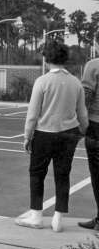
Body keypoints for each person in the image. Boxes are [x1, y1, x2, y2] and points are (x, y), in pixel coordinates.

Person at [15, 40, 88, 232]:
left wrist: (27, 136)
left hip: (44, 134)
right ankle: (58, 218)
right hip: (69, 134)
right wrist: (83, 130)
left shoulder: (42, 81)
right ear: (65, 58)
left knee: (37, 174)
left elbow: (33, 114)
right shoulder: (76, 82)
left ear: (46, 59)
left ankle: (36, 216)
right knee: (63, 175)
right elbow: (82, 113)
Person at [78, 51, 99, 230]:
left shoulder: (93, 65)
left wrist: (80, 127)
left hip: (96, 126)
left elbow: (86, 98)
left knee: (97, 174)